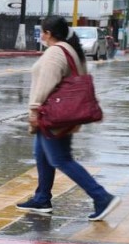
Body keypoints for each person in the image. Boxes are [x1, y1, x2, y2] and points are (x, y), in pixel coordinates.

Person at [17, 16, 120, 221]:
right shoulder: (71, 49)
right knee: (42, 154)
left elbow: (44, 85)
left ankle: (101, 197)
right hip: (62, 114)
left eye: (42, 32)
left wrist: (34, 112)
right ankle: (42, 198)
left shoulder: (55, 53)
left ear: (48, 33)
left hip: (53, 116)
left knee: (61, 159)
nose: (41, 35)